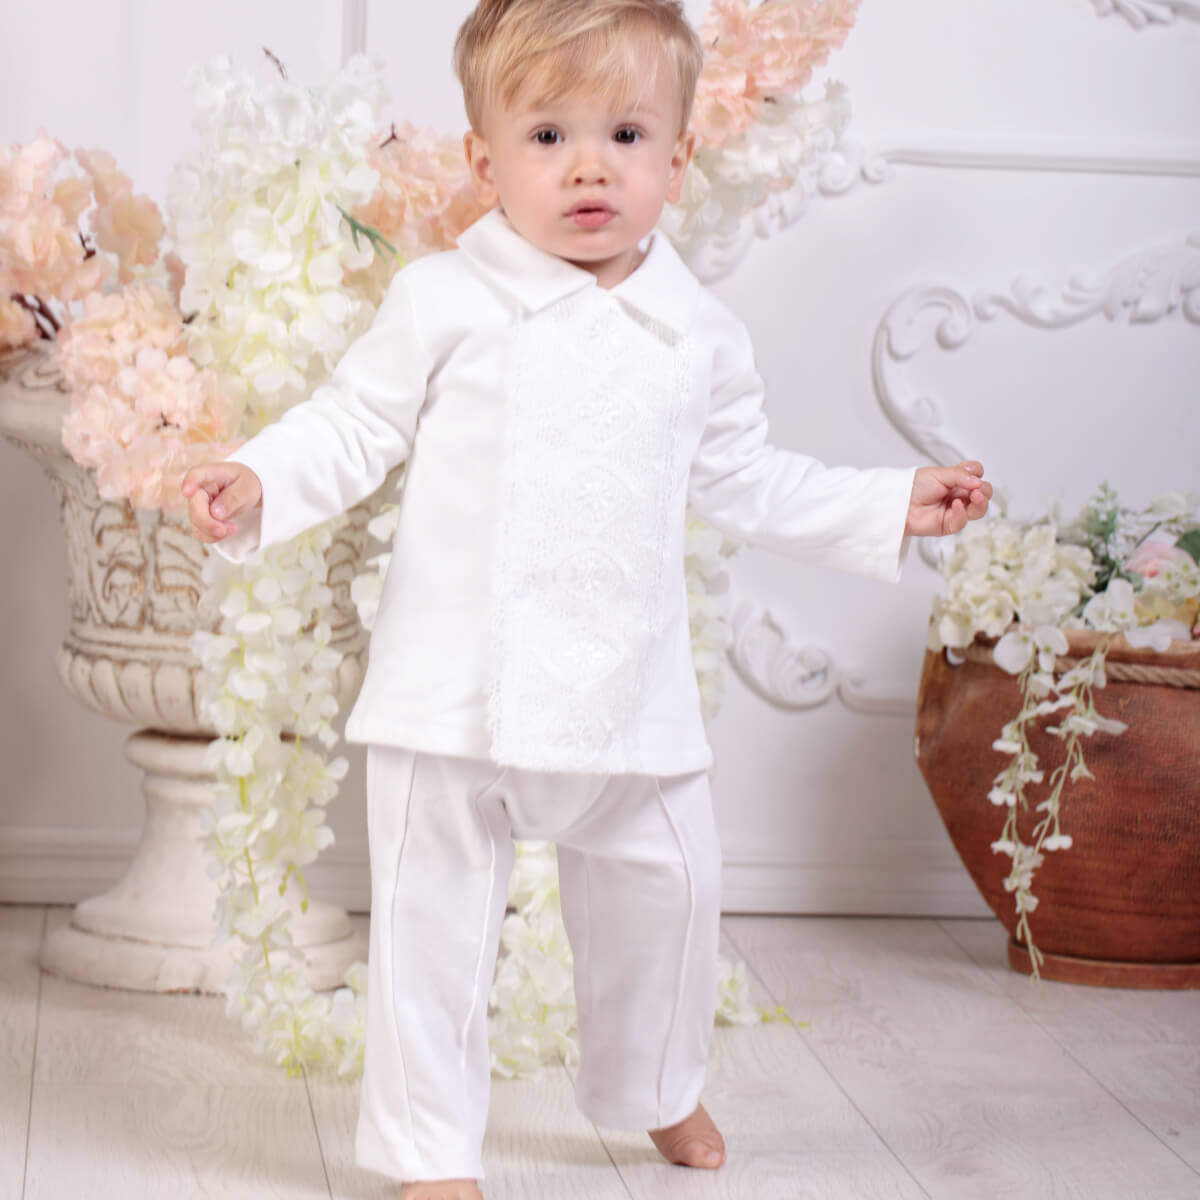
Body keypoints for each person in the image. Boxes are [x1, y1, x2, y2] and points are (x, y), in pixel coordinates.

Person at [182, 2, 992, 1196]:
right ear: (485, 161)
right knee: (432, 933)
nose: (589, 167)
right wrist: (259, 476)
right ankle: (427, 1151)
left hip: (625, 686)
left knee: (670, 896)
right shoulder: (444, 302)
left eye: (623, 133)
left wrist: (884, 504)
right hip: (451, 693)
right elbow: (355, 426)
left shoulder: (698, 335)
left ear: (677, 159)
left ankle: (654, 1090)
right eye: (548, 137)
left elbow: (744, 477)